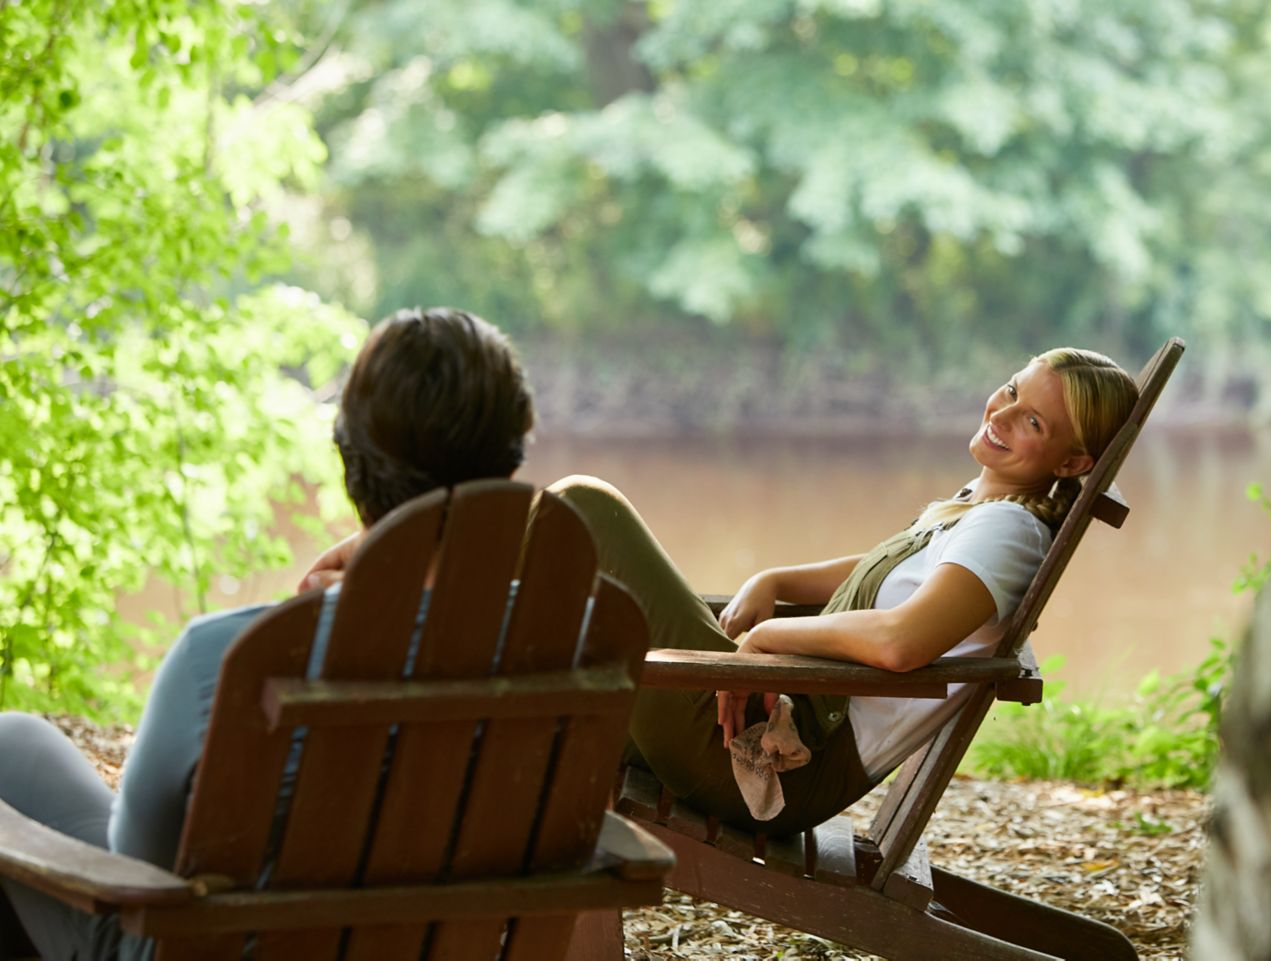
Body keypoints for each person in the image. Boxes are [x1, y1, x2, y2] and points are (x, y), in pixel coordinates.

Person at [301, 346, 1139, 837]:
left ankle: (396, 559)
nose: (1002, 412)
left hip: (772, 754)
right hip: (773, 713)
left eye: (1033, 421)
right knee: (577, 577)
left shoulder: (1008, 531)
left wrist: (769, 640)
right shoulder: (975, 509)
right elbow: (867, 580)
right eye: (1013, 391)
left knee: (589, 508)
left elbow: (900, 643)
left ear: (1071, 464)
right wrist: (772, 584)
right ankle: (405, 568)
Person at [0, 306, 535, 961]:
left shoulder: (220, 659)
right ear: (511, 464)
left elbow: (141, 860)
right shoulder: (562, 643)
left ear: (350, 466)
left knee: (11, 745)